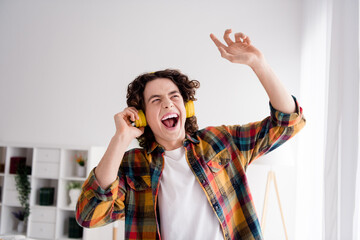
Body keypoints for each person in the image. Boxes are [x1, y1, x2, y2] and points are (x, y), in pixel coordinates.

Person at [76, 29, 306, 240]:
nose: (167, 104)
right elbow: (89, 214)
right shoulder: (132, 164)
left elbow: (287, 123)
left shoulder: (221, 141)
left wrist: (259, 64)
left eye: (174, 96)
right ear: (143, 116)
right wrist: (120, 138)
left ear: (187, 108)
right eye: (156, 100)